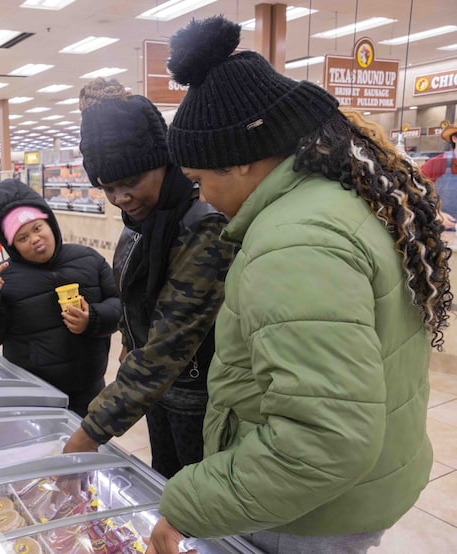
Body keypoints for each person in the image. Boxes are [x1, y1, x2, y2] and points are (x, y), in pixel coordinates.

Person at [146, 16, 453, 554]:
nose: (202, 198)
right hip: (358, 488)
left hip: (309, 515)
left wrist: (191, 502)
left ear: (240, 160)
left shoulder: (294, 244)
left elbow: (322, 439)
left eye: (200, 180)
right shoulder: (338, 201)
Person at [61, 77, 235, 479]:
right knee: (162, 480)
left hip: (198, 398)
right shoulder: (141, 220)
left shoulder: (202, 227)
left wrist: (91, 432)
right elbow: (132, 292)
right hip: (158, 395)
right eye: (108, 187)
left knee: (192, 501)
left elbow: (169, 342)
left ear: (165, 162)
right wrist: (127, 339)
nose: (121, 198)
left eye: (131, 182)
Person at [0, 179, 121, 416]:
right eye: (22, 238)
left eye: (37, 228)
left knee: (88, 446)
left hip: (89, 386)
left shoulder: (88, 259)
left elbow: (120, 304)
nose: (35, 239)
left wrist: (93, 319)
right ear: (12, 246)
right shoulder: (4, 278)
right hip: (35, 394)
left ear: (49, 223)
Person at [421, 123, 457, 227]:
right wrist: (434, 214)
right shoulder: (438, 163)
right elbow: (413, 192)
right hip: (444, 229)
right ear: (454, 138)